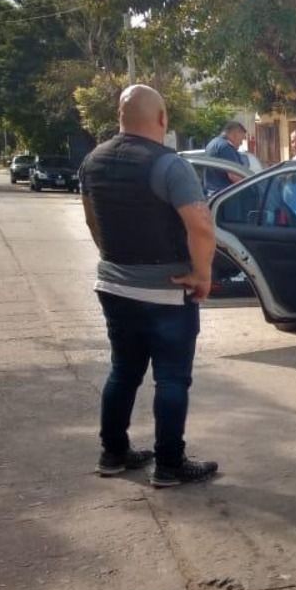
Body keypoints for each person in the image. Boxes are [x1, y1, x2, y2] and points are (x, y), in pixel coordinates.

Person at [79, 84, 219, 488]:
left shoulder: (93, 161)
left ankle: (113, 453)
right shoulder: (170, 166)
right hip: (166, 291)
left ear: (120, 116)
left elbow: (92, 221)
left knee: (123, 371)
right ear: (162, 119)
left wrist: (116, 260)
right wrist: (202, 274)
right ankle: (170, 464)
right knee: (172, 379)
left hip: (114, 286)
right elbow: (201, 226)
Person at [203, 120, 249, 195]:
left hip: (214, 193)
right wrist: (250, 186)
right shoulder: (226, 147)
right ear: (235, 134)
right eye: (241, 139)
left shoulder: (213, 143)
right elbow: (234, 176)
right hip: (226, 195)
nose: (241, 143)